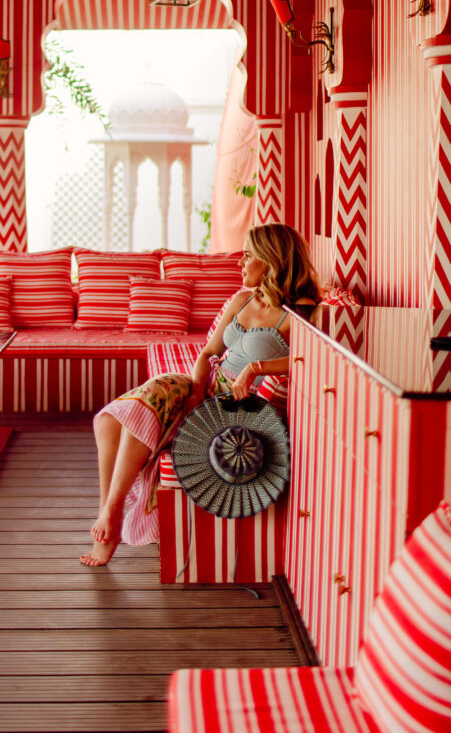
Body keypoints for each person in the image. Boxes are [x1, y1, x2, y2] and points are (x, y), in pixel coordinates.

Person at [80, 222, 320, 567]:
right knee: (114, 420)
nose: (240, 263)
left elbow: (311, 358)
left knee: (140, 411)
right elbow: (208, 353)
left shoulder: (303, 311)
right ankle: (110, 512)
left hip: (236, 408)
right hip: (206, 390)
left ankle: (110, 519)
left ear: (271, 261)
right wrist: (193, 392)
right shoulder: (242, 300)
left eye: (248, 255)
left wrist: (256, 369)